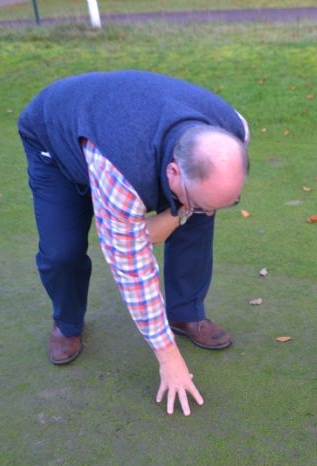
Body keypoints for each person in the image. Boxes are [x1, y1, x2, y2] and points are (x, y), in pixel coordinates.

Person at [18, 70, 250, 416]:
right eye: (200, 200)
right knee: (61, 251)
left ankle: (185, 313)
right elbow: (133, 266)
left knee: (198, 216)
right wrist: (168, 357)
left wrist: (190, 210)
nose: (211, 210)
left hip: (119, 128)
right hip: (56, 139)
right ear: (173, 172)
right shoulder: (122, 170)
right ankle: (67, 323)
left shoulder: (232, 129)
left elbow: (168, 222)